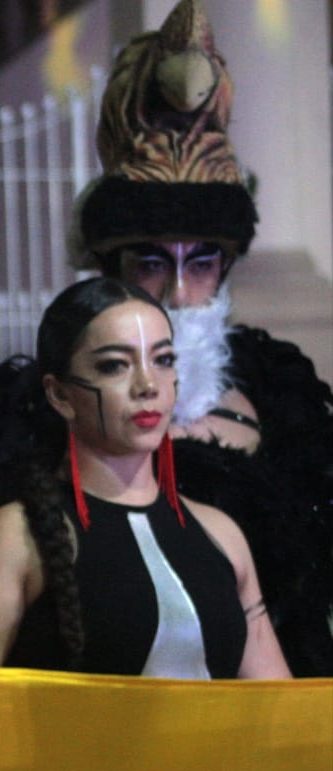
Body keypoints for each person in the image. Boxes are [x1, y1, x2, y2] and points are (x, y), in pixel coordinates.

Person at [68, 0, 333, 676]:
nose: (179, 293)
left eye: (202, 261)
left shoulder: (282, 394)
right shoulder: (54, 404)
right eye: (152, 262)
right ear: (113, 267)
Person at [0, 277, 290, 679]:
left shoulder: (223, 534)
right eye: (114, 365)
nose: (147, 385)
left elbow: (280, 702)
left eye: (163, 360)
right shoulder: (13, 537)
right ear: (59, 395)